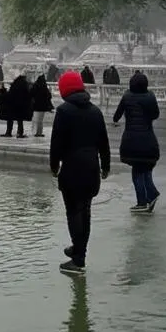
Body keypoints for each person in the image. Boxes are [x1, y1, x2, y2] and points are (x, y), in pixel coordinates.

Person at [49, 70, 111, 276]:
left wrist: (54, 165)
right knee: (85, 211)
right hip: (92, 168)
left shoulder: (64, 112)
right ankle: (79, 250)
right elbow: (104, 141)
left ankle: (78, 259)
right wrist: (106, 166)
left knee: (74, 212)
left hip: (72, 169)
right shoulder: (95, 111)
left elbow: (56, 142)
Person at [112, 72, 160, 212]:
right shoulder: (150, 96)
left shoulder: (127, 96)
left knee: (137, 172)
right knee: (146, 168)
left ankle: (144, 201)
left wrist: (116, 121)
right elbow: (156, 114)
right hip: (149, 139)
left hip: (132, 140)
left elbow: (117, 115)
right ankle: (150, 196)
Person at [30, 74, 54, 138]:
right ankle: (39, 132)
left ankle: (35, 132)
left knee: (35, 119)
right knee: (40, 120)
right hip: (43, 107)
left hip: (36, 106)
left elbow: (31, 94)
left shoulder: (35, 86)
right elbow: (49, 96)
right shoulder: (44, 87)